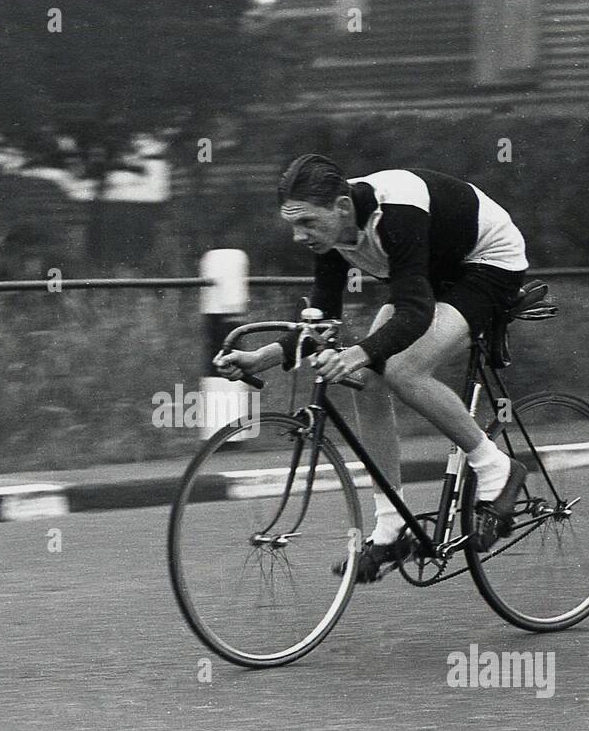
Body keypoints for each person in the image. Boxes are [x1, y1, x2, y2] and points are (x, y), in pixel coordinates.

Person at [214, 154, 529, 580]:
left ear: (342, 207)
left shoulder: (395, 214)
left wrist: (357, 352)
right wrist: (261, 358)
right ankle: (390, 527)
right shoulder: (332, 236)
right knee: (365, 379)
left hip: (486, 264)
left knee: (403, 371)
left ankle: (497, 468)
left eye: (306, 222)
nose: (297, 235)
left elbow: (415, 313)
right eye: (293, 223)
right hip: (433, 268)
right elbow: (322, 322)